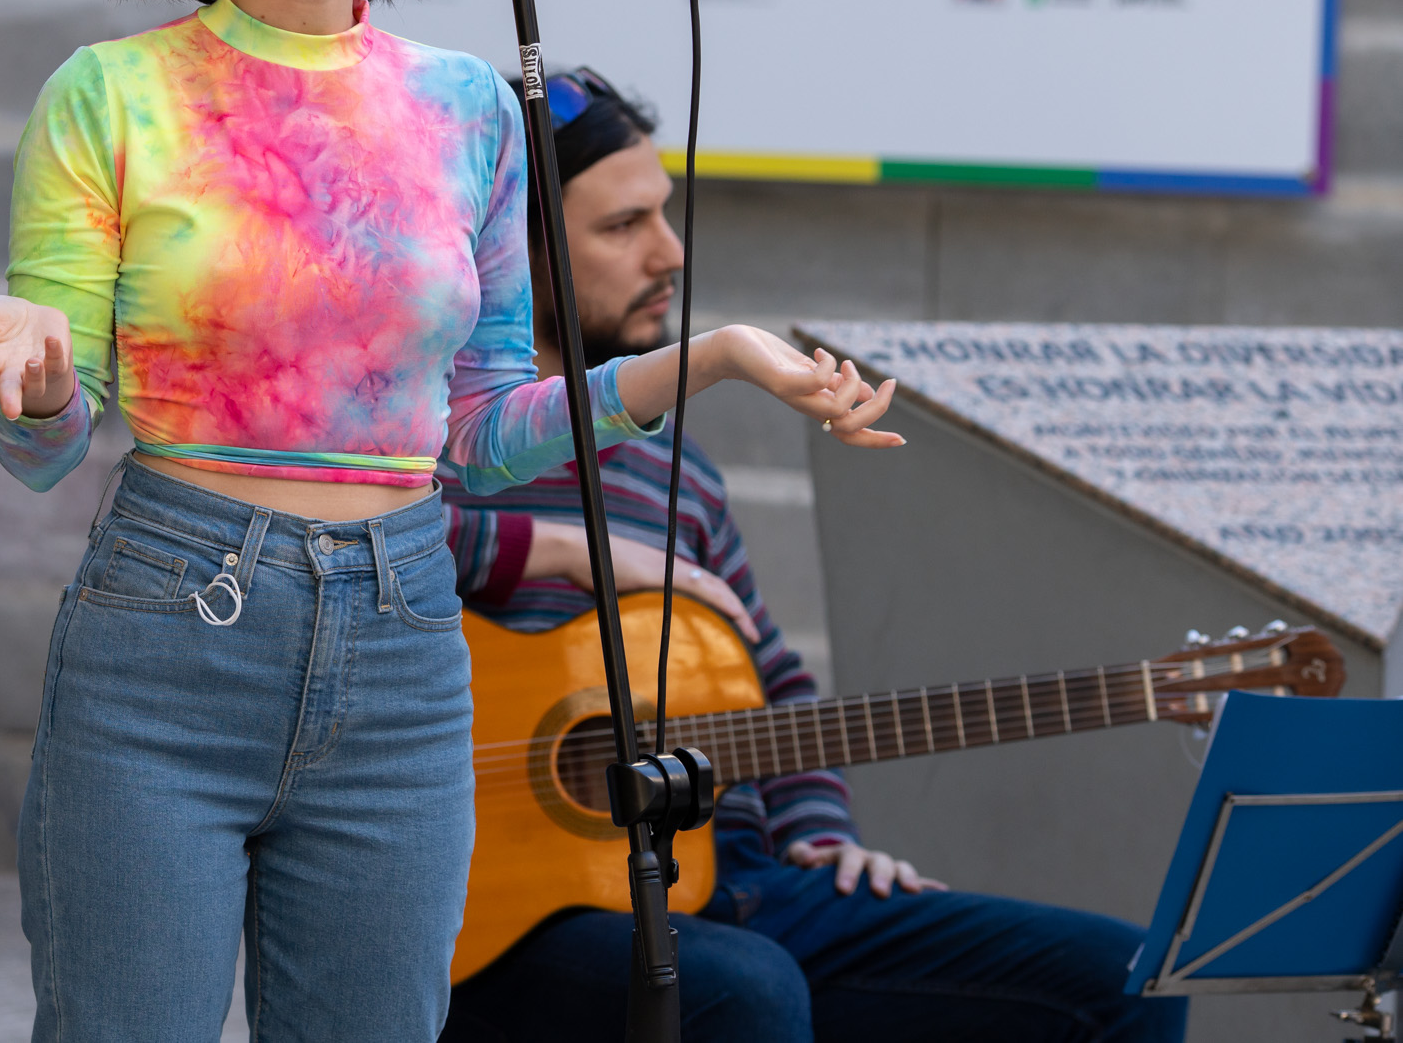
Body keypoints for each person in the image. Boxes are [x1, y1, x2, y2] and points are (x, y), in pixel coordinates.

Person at [0, 0, 903, 1043]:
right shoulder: (112, 94)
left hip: (402, 639)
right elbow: (48, 445)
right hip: (174, 622)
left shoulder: (467, 109)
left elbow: (482, 427)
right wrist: (37, 379)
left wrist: (726, 357)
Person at [439, 69, 1187, 1043]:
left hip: (735, 877)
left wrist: (820, 835)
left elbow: (772, 680)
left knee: (1121, 979)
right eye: (622, 228)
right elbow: (362, 548)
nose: (670, 254)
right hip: (515, 907)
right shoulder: (425, 441)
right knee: (744, 994)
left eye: (663, 215)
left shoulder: (676, 466)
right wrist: (570, 551)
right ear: (512, 257)